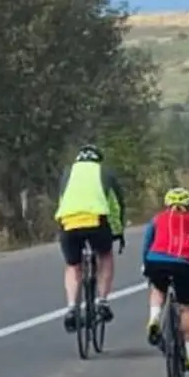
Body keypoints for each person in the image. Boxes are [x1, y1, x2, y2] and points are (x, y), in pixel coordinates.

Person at [142, 187, 189, 372]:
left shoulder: (157, 219)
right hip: (183, 263)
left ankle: (154, 319)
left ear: (167, 205)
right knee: (186, 307)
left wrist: (146, 265)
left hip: (156, 260)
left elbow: (146, 244)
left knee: (158, 289)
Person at [54, 143, 122, 333]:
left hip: (69, 221)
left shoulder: (68, 173)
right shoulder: (104, 172)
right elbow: (115, 205)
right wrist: (118, 231)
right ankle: (102, 302)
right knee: (105, 255)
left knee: (73, 266)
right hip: (96, 220)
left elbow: (62, 201)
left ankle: (70, 309)